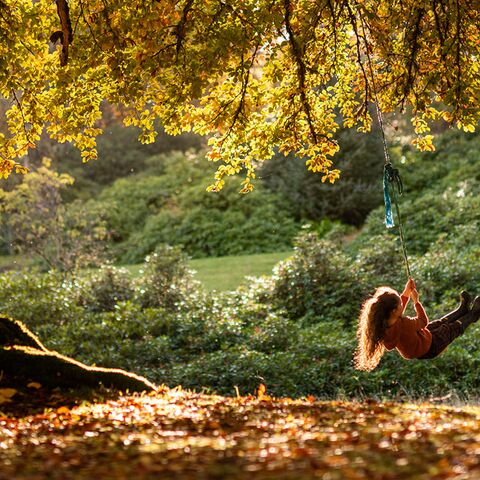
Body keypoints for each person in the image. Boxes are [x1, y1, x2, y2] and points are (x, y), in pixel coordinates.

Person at [354, 278, 480, 371]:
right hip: (431, 347)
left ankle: (462, 310)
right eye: (400, 305)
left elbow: (397, 310)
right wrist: (416, 302)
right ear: (394, 310)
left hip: (419, 342)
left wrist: (406, 292)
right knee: (450, 329)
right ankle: (473, 315)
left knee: (439, 323)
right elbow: (423, 321)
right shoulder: (404, 324)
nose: (402, 306)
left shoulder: (384, 322)